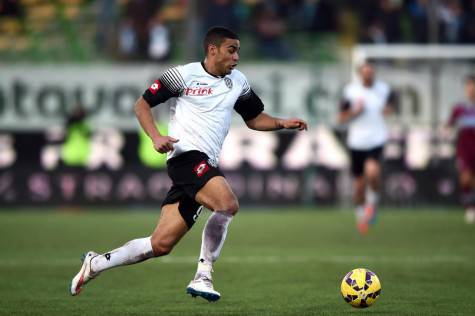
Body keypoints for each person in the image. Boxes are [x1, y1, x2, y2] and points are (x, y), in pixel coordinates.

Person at [70, 26, 308, 301]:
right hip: (185, 157)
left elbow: (254, 118)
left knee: (159, 244)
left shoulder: (239, 82)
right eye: (231, 51)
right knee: (227, 205)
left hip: (204, 164)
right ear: (212, 50)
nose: (236, 57)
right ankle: (203, 276)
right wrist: (156, 136)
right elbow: (141, 105)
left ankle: (95, 263)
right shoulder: (183, 75)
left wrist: (280, 123)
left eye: (238, 51)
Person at [337, 62, 395, 235]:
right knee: (359, 187)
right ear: (360, 74)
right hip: (357, 142)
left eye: (371, 72)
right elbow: (341, 118)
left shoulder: (384, 89)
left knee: (373, 172)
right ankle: (362, 216)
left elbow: (390, 107)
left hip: (377, 139)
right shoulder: (350, 91)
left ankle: (373, 205)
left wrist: (388, 109)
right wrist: (356, 111)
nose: (369, 75)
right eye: (366, 72)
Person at [447, 75, 475, 224]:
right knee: (465, 179)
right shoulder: (459, 108)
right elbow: (449, 125)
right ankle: (469, 208)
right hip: (465, 149)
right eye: (469, 86)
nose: (471, 89)